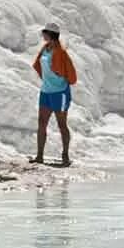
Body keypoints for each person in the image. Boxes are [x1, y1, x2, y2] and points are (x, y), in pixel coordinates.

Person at [30, 22, 78, 167]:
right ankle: (39, 156)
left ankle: (65, 156)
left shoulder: (61, 52)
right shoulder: (45, 48)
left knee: (61, 124)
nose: (42, 34)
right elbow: (40, 65)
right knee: (41, 123)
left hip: (59, 92)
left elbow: (71, 73)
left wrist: (59, 78)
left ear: (50, 34)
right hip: (46, 91)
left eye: (44, 32)